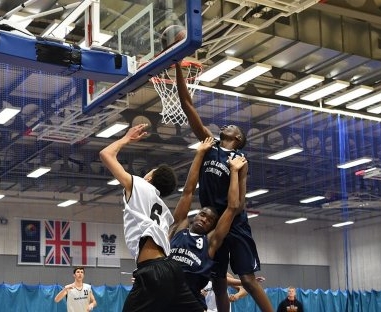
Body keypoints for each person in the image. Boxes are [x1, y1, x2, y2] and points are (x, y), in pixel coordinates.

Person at [176, 62, 274, 312]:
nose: (226, 125)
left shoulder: (240, 161)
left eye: (232, 126)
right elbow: (188, 107)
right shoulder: (209, 144)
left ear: (238, 139)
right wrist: (178, 68)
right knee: (218, 281)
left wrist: (234, 176)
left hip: (235, 223)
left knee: (248, 281)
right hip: (213, 220)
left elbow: (239, 203)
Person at [99, 123, 204, 312]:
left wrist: (126, 138)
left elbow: (105, 154)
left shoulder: (139, 185)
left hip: (153, 271)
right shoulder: (163, 210)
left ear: (150, 177)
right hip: (171, 268)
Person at [168, 137, 247, 309]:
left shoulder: (210, 242)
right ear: (195, 215)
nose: (204, 219)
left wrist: (233, 172)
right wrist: (199, 154)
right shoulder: (179, 227)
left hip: (190, 296)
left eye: (210, 220)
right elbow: (188, 191)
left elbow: (232, 207)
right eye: (203, 215)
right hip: (164, 292)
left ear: (212, 227)